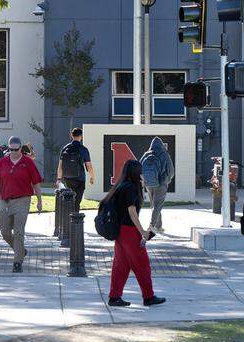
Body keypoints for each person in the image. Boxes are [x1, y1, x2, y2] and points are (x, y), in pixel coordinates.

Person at [104, 158, 165, 308]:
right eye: (140, 171)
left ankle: (114, 297)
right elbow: (132, 211)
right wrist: (143, 232)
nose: (142, 173)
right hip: (129, 231)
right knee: (142, 264)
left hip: (120, 231)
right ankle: (148, 296)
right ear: (136, 172)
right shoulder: (130, 187)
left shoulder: (121, 186)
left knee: (121, 266)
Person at [0, 136, 43, 273]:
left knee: (19, 232)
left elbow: (36, 182)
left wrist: (39, 200)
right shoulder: (3, 162)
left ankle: (17, 261)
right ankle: (20, 250)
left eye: (16, 149)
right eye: (11, 149)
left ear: (21, 148)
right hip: (5, 201)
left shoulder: (27, 162)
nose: (13, 152)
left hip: (22, 200)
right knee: (4, 231)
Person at [140, 137, 174, 235]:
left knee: (154, 205)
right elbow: (171, 171)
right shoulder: (164, 154)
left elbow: (139, 166)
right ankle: (152, 225)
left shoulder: (146, 154)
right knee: (158, 205)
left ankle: (158, 226)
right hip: (161, 183)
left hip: (149, 183)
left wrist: (145, 180)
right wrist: (166, 180)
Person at [56, 128, 95, 213]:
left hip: (68, 178)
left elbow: (60, 166)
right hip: (80, 179)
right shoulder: (83, 149)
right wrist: (92, 177)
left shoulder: (65, 148)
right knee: (77, 200)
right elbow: (89, 166)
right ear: (81, 136)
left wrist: (58, 179)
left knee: (69, 198)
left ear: (71, 135)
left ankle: (68, 217)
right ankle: (75, 218)